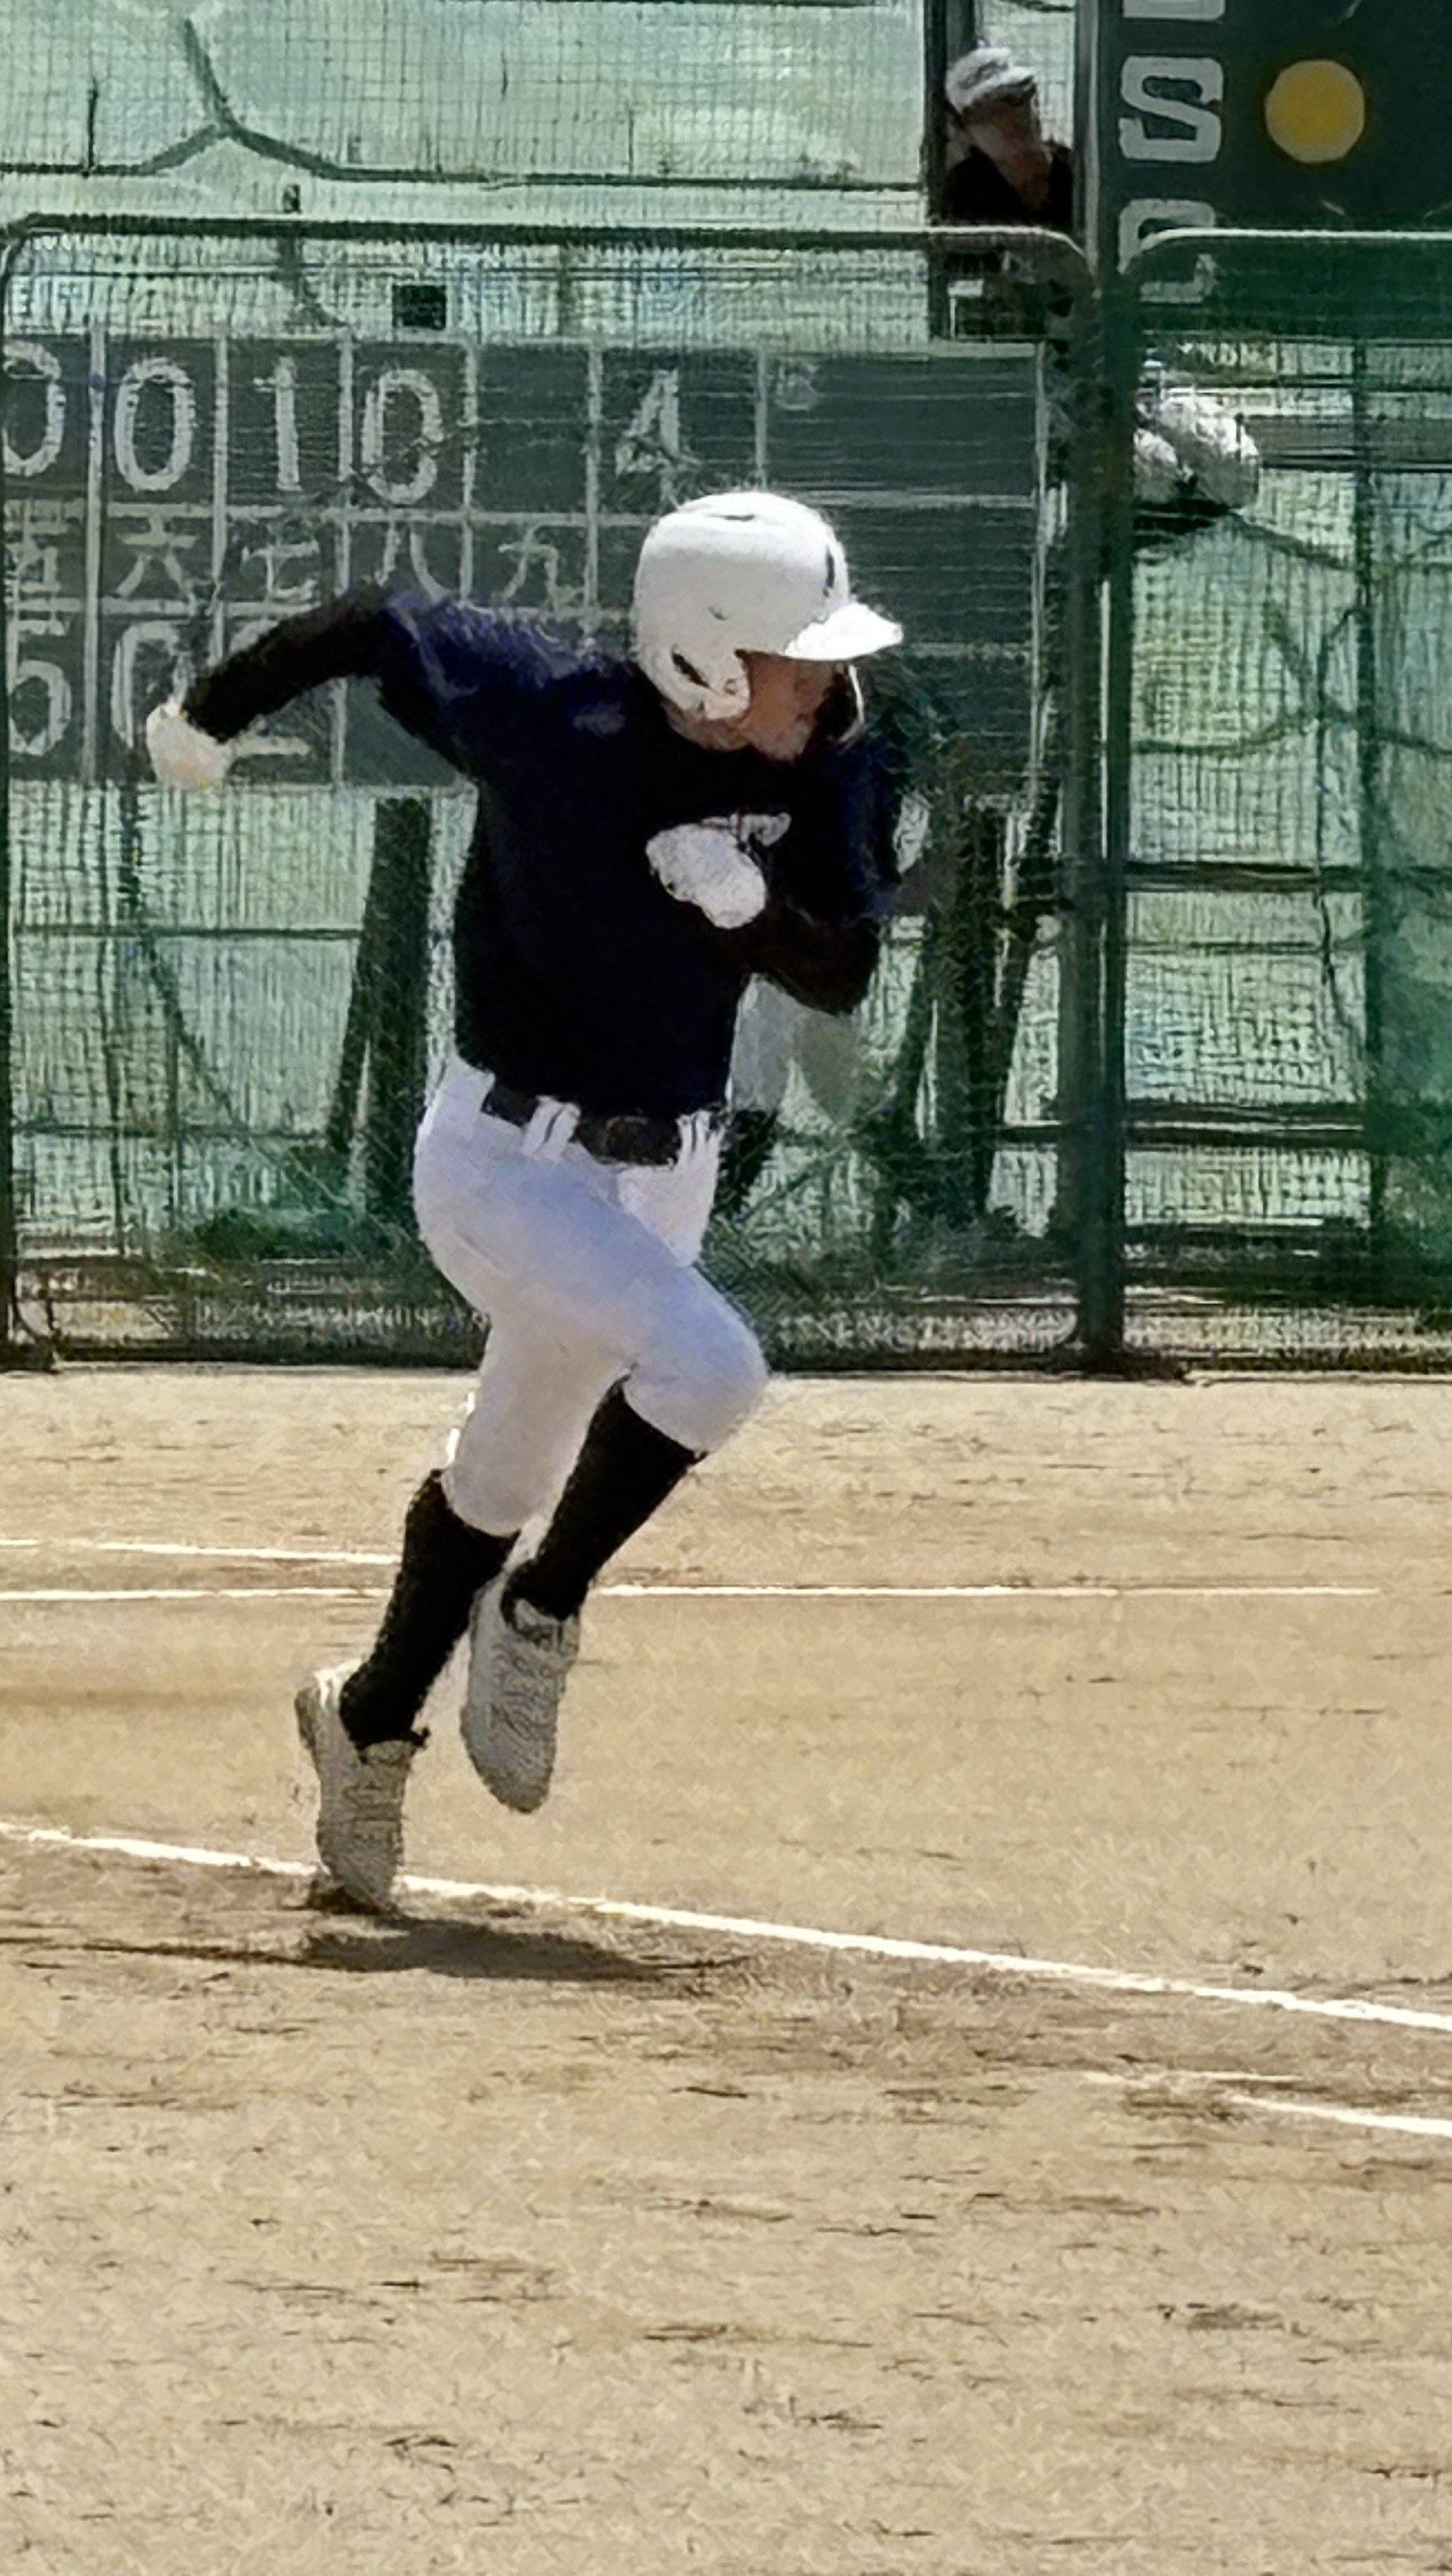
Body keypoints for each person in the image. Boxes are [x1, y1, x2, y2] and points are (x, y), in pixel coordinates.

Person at [144, 492, 911, 1913]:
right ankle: (542, 1606)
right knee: (712, 1365)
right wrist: (209, 711)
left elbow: (843, 970)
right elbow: (372, 623)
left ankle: (365, 1716)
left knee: (509, 1458)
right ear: (703, 658)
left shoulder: (832, 759)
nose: (825, 682)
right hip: (503, 1160)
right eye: (793, 657)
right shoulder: (555, 713)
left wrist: (754, 914)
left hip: (666, 1158)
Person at [934, 40, 1264, 544]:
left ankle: (1120, 543)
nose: (1014, 117)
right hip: (1043, 383)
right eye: (992, 110)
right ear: (965, 128)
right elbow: (970, 303)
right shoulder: (963, 202)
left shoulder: (1085, 179)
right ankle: (1085, 561)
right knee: (1149, 470)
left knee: (1235, 465)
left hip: (1129, 361)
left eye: (1021, 98)